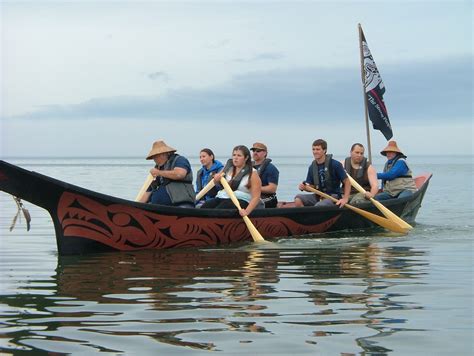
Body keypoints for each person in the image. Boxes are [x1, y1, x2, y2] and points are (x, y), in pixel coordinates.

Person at [201, 145, 262, 217]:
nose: (235, 158)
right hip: (223, 197)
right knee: (204, 207)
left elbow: (256, 197)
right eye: (234, 155)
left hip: (241, 200)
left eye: (239, 155)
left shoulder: (253, 173)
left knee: (219, 210)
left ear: (246, 158)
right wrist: (216, 178)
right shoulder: (228, 169)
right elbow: (216, 181)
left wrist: (247, 211)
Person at [294, 139, 350, 207]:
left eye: (318, 149)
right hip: (318, 196)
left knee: (319, 206)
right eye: (313, 149)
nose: (315, 152)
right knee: (298, 199)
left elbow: (347, 181)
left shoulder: (335, 164)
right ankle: (306, 217)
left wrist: (345, 199)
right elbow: (312, 187)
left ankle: (316, 215)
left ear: (324, 150)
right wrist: (305, 187)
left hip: (333, 197)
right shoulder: (312, 167)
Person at [139, 140, 195, 207]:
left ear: (162, 154)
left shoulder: (179, 160)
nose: (154, 159)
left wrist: (159, 173)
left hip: (181, 204)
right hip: (158, 207)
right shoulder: (157, 169)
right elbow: (148, 192)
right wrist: (136, 206)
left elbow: (179, 174)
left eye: (155, 156)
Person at [250, 142, 280, 208]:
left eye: (258, 151)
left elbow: (272, 189)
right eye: (253, 151)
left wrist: (254, 188)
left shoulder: (271, 168)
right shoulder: (249, 167)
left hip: (267, 197)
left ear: (265, 153)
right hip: (252, 195)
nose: (255, 153)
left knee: (254, 203)